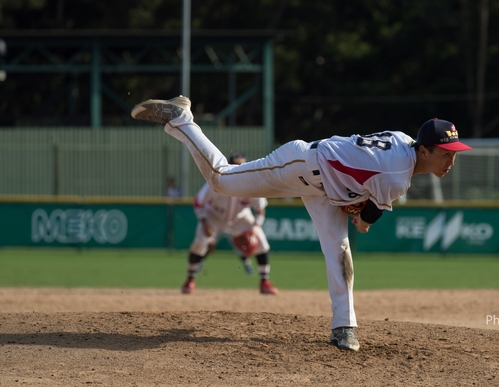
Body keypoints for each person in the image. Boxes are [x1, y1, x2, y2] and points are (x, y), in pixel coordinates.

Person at [131, 95, 472, 352]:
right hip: (300, 165)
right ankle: (182, 121)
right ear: (424, 151)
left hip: (325, 185)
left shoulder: (403, 139)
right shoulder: (398, 177)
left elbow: (362, 171)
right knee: (221, 179)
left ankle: (344, 327)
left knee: (338, 249)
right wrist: (363, 218)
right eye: (446, 153)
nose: (452, 160)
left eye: (454, 153)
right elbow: (368, 217)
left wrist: (353, 197)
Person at [181, 152, 278, 296]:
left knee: (261, 242)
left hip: (240, 217)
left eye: (241, 168)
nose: (238, 171)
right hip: (213, 215)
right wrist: (204, 221)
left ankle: (265, 282)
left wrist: (255, 228)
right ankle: (190, 280)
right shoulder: (216, 182)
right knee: (200, 242)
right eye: (235, 167)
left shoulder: (253, 185)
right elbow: (198, 202)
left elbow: (260, 210)